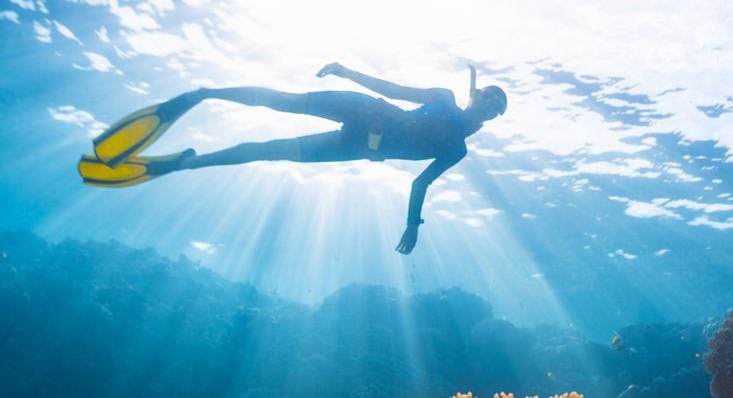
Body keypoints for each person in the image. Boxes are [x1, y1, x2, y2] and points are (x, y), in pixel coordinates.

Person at [79, 64, 508, 254]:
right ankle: (201, 94)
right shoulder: (445, 98)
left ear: (494, 117)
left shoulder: (458, 149)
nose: (490, 103)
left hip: (358, 148)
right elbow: (394, 89)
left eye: (497, 106)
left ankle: (183, 163)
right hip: (365, 109)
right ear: (477, 95)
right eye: (489, 94)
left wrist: (412, 224)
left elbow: (420, 183)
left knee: (268, 152)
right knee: (279, 102)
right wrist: (348, 71)